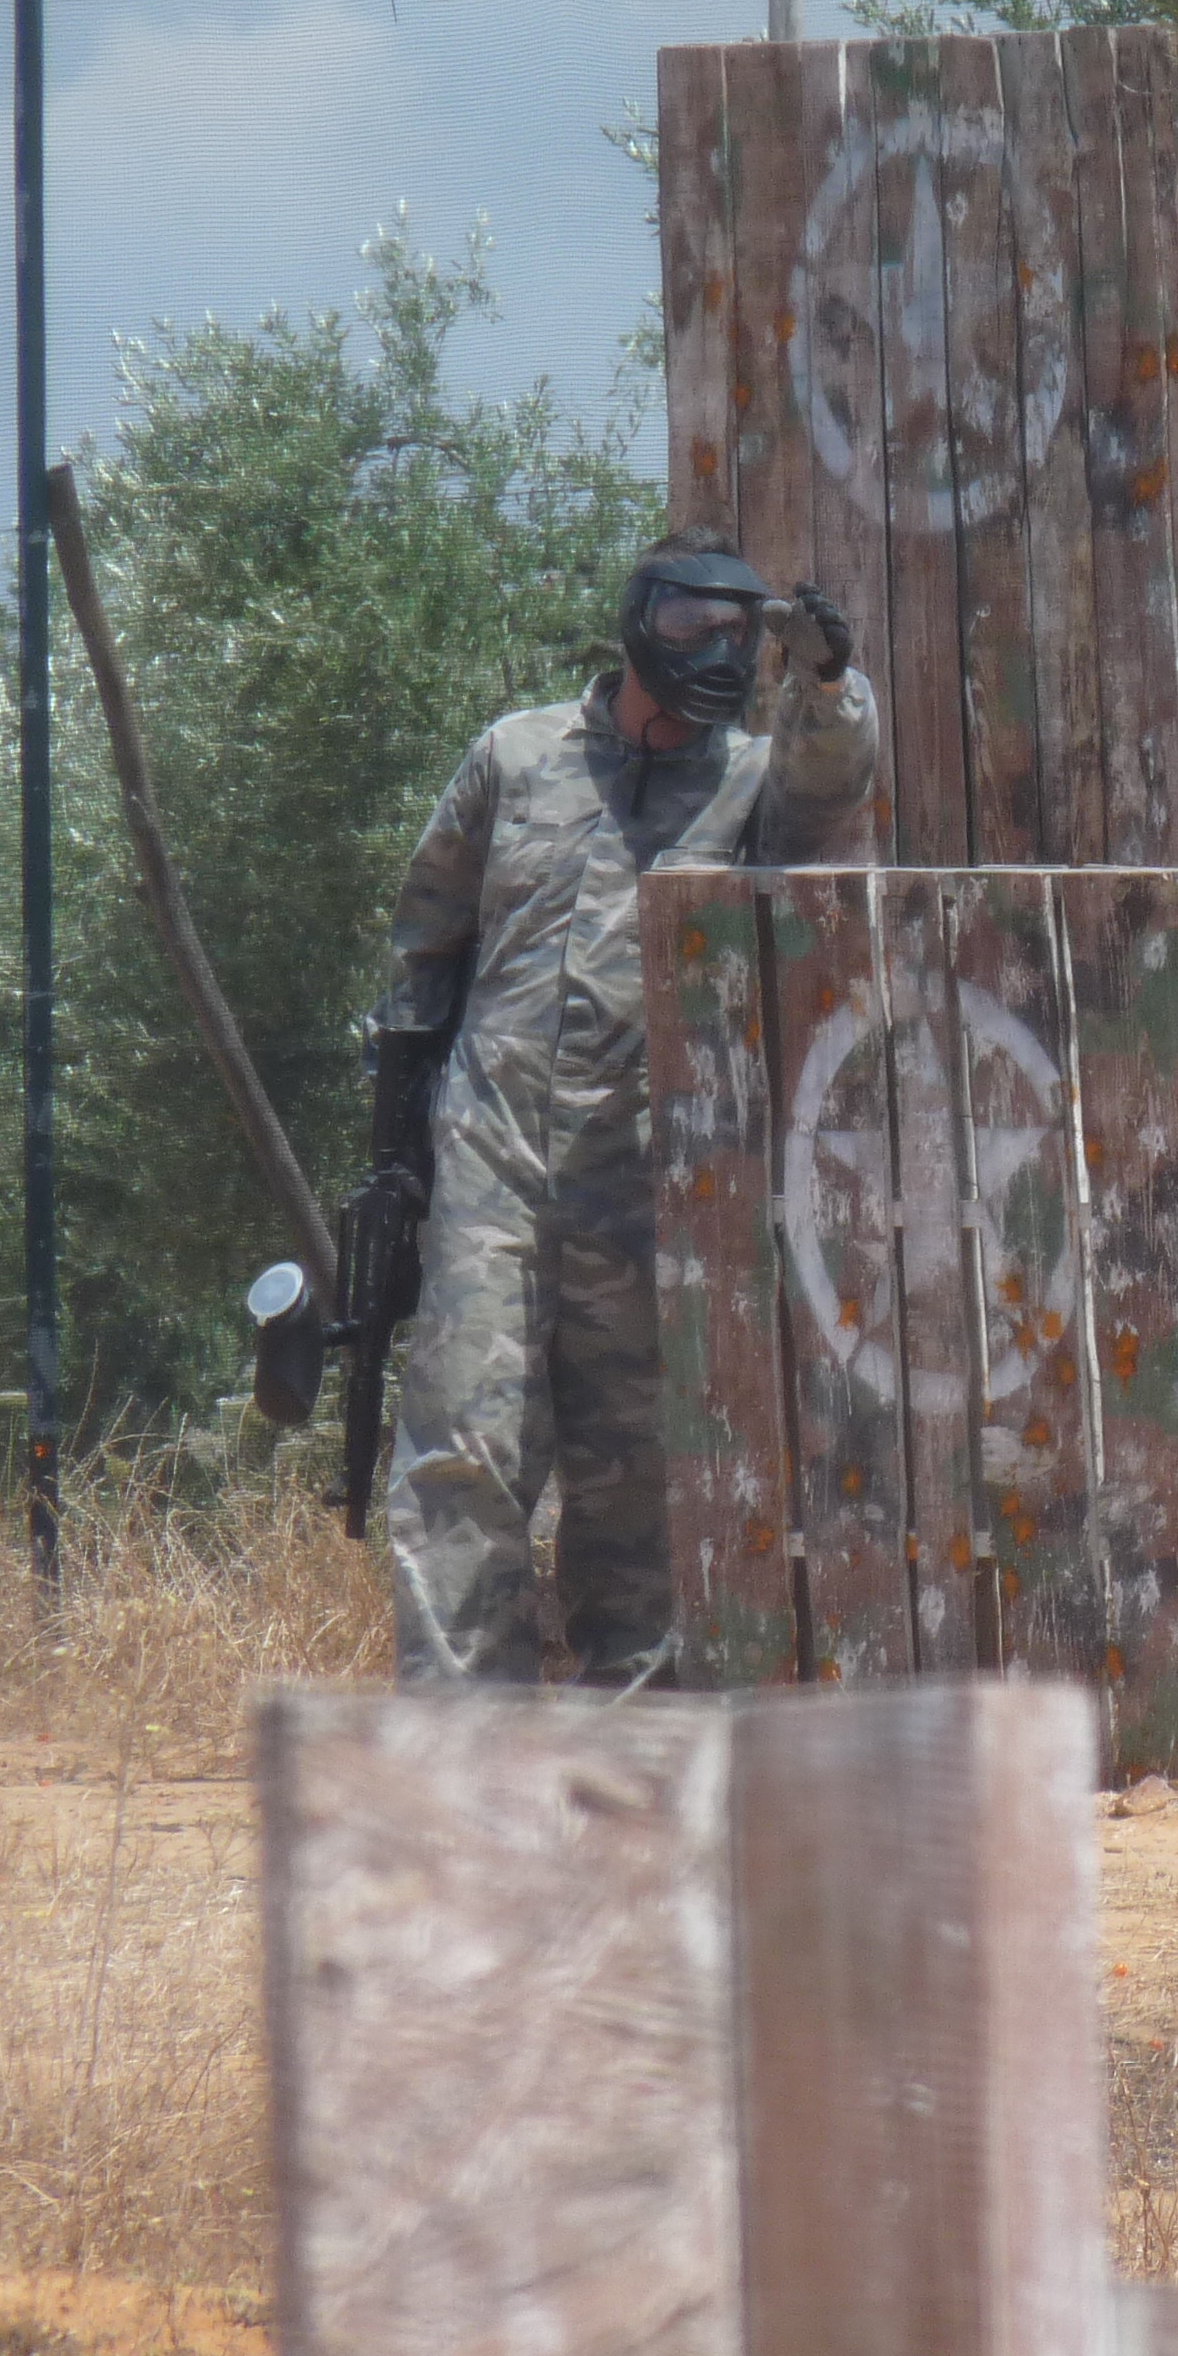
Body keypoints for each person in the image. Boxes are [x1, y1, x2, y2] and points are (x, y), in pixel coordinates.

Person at [374, 529, 880, 1687]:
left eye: (738, 633)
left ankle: (630, 1744)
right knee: (461, 1457)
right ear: (640, 622)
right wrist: (398, 1152)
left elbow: (828, 789)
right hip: (491, 1172)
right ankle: (459, 1743)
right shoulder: (516, 757)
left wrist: (826, 685)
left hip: (648, 1187)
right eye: (693, 625)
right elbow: (421, 952)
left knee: (637, 1486)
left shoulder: (749, 782)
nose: (716, 651)